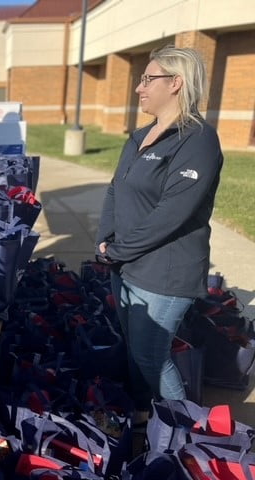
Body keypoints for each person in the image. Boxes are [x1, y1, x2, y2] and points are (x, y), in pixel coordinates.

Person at [95, 46, 223, 424]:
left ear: (176, 83)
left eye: (149, 79)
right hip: (126, 265)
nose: (139, 87)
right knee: (136, 349)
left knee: (153, 354)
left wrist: (118, 249)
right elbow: (116, 189)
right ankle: (142, 414)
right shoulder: (139, 137)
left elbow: (172, 213)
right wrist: (106, 238)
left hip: (165, 273)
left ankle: (185, 429)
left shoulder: (198, 140)